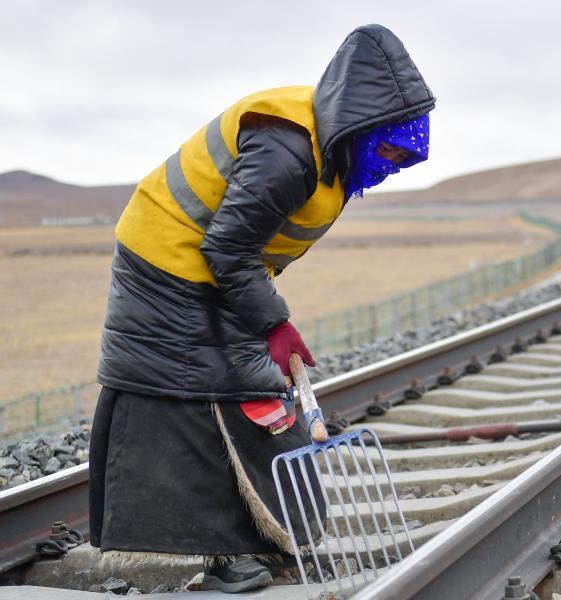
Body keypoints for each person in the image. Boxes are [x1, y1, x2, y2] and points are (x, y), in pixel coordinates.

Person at [88, 23, 435, 593]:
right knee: (208, 392)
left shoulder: (335, 152)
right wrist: (272, 321)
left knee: (250, 385)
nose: (394, 164)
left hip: (215, 266)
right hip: (166, 258)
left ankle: (268, 536)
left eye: (406, 158)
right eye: (392, 149)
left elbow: (253, 244)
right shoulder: (288, 149)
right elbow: (227, 244)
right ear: (362, 125)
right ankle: (225, 557)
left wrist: (265, 315)